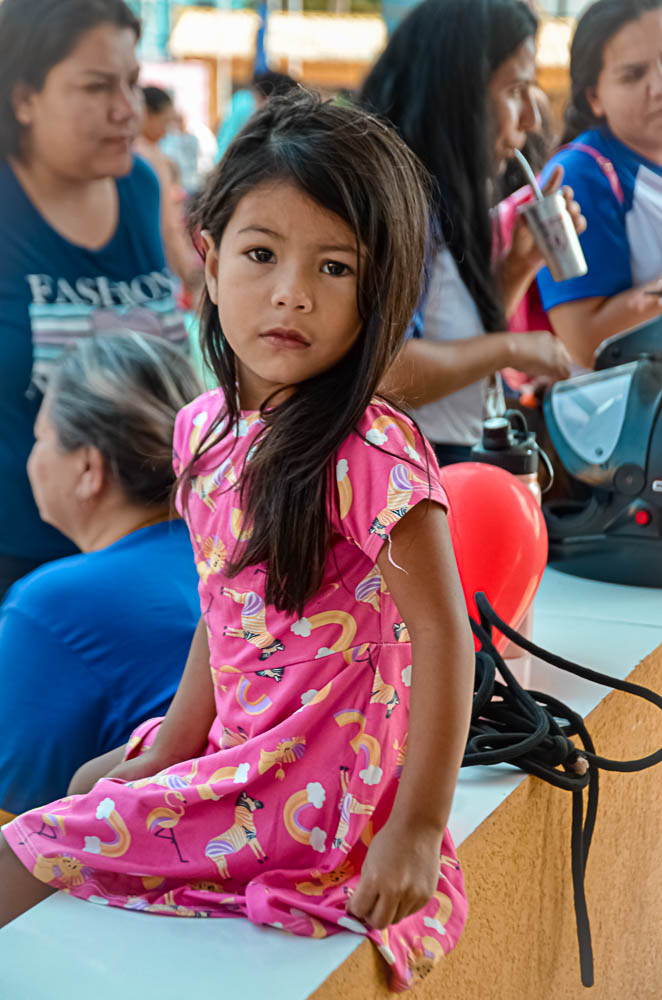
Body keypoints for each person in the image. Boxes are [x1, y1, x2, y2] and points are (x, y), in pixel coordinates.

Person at [0, 92, 475, 993]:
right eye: (262, 254)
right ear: (209, 263)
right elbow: (227, 609)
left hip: (317, 797)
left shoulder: (370, 453)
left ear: (383, 292)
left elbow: (446, 634)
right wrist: (172, 744)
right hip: (238, 753)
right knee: (74, 798)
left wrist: (418, 826)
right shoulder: (202, 431)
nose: (292, 291)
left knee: (25, 851)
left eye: (335, 268)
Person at [0, 0, 189, 600]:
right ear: (23, 97)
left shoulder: (141, 186)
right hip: (20, 563)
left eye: (132, 83)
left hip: (153, 552)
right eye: (96, 86)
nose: (125, 110)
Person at [360, 0, 580, 463]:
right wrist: (515, 347)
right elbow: (387, 372)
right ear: (458, 93)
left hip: (445, 461)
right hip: (405, 477)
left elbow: (453, 347)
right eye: (516, 90)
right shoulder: (399, 204)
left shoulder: (445, 205)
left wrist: (520, 264)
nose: (532, 121)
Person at [0, 332, 201, 822]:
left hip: (129, 884)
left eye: (42, 438)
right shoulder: (229, 559)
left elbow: (15, 815)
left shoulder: (55, 604)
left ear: (89, 467)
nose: (34, 457)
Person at [537, 0, 662, 369]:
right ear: (594, 97)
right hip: (627, 418)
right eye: (633, 75)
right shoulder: (579, 175)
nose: (658, 86)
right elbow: (584, 341)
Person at [134, 86, 203, 299]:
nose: (167, 131)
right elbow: (169, 224)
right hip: (152, 262)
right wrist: (189, 274)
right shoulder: (150, 156)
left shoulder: (120, 153)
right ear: (146, 114)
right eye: (165, 122)